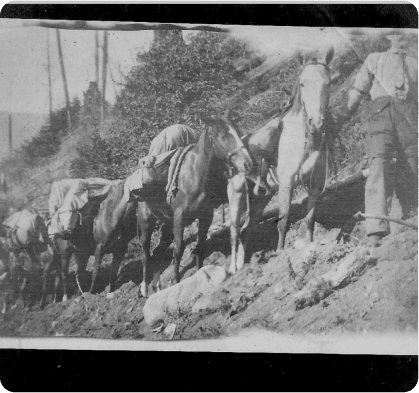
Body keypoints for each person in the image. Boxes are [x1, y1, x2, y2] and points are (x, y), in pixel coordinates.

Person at [341, 32, 418, 247]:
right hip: (381, 116)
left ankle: (410, 216)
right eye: (396, 33)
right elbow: (358, 89)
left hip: (409, 120)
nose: (401, 38)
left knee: (411, 164)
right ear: (389, 37)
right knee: (379, 166)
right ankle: (376, 228)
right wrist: (342, 115)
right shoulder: (374, 59)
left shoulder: (415, 64)